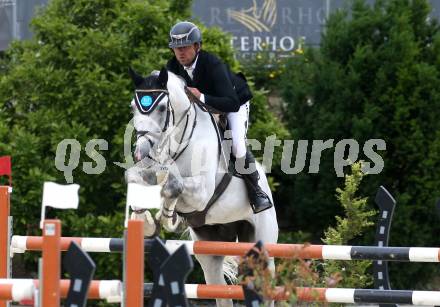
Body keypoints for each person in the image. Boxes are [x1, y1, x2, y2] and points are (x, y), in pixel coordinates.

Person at [166, 21, 272, 213]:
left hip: (234, 103)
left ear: (197, 46)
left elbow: (230, 103)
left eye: (185, 47)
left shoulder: (213, 64)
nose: (180, 52)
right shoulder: (172, 66)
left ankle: (256, 192)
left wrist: (201, 96)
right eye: (176, 48)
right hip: (201, 106)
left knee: (237, 145)